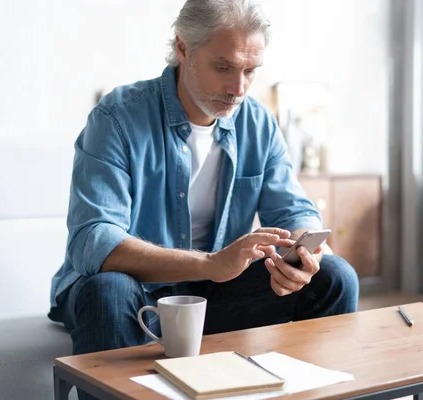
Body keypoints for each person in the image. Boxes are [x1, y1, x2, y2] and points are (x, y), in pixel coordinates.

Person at [48, 1, 358, 393]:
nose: (239, 88)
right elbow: (94, 242)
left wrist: (304, 255)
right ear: (182, 48)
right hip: (133, 292)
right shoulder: (117, 117)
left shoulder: (258, 123)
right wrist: (211, 263)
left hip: (209, 294)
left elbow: (294, 209)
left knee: (335, 276)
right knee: (109, 289)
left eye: (250, 71)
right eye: (223, 67)